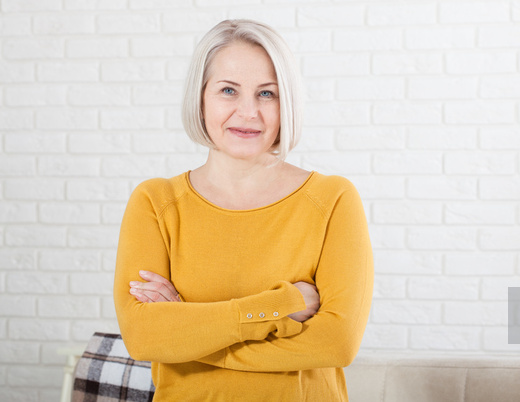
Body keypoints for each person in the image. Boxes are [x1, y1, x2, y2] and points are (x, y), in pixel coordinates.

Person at [113, 19, 373, 401]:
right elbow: (144, 337)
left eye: (267, 94)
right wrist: (282, 304)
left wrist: (192, 340)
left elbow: (337, 343)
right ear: (200, 98)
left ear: (287, 103)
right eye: (228, 90)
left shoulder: (332, 199)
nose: (248, 112)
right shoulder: (156, 202)